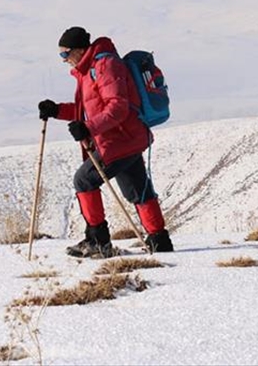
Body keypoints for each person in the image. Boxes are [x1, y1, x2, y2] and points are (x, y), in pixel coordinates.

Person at [38, 26, 174, 257]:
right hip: (127, 138)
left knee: (84, 180)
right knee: (138, 190)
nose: (64, 60)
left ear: (80, 50)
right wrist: (57, 110)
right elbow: (87, 109)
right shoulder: (89, 70)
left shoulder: (105, 65)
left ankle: (98, 241)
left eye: (65, 54)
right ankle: (159, 241)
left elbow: (118, 107)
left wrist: (88, 127)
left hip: (118, 140)